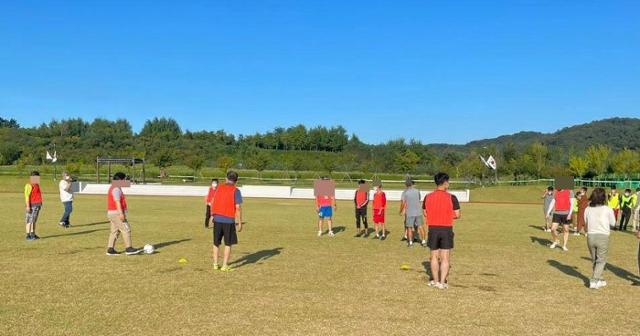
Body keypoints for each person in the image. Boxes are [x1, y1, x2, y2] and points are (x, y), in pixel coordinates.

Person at [423, 172, 461, 289]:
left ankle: (435, 281)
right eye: (448, 182)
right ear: (444, 183)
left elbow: (425, 212)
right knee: (445, 257)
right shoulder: (452, 197)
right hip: (446, 229)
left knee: (434, 256)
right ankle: (442, 282)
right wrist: (447, 215)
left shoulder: (428, 197)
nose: (448, 184)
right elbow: (457, 214)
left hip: (433, 228)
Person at [211, 171, 243, 271]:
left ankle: (215, 264)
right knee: (228, 244)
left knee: (216, 243)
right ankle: (224, 266)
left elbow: (214, 201)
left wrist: (212, 216)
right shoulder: (236, 191)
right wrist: (240, 222)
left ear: (226, 178)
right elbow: (237, 207)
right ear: (236, 181)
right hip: (228, 220)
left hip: (217, 219)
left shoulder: (219, 187)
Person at [584, 188, 615, 289]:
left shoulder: (588, 209)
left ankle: (600, 279)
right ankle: (594, 280)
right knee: (601, 260)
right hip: (603, 236)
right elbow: (613, 223)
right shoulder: (607, 209)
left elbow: (585, 221)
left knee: (595, 259)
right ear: (603, 197)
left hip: (590, 236)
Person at [106, 172, 143, 256]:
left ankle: (110, 249)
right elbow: (117, 202)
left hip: (111, 213)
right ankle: (129, 248)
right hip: (116, 213)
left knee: (114, 231)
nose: (126, 181)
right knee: (126, 229)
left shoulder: (114, 187)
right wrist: (121, 213)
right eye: (125, 179)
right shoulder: (116, 188)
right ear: (120, 180)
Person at [547, 186, 575, 251]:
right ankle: (556, 241)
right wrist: (548, 212)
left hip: (566, 214)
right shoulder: (556, 192)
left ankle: (564, 245)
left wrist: (570, 214)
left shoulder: (569, 191)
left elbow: (572, 203)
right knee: (553, 229)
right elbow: (552, 202)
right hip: (557, 213)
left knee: (566, 230)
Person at [400, 178, 425, 247]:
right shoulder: (417, 191)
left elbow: (403, 203)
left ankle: (410, 242)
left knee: (409, 227)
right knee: (420, 226)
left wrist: (401, 210)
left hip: (410, 212)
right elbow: (419, 199)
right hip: (418, 212)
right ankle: (423, 241)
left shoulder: (405, 192)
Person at [24, 171, 43, 240]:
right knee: (29, 220)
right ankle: (28, 235)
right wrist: (28, 206)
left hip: (37, 205)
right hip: (32, 205)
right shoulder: (29, 185)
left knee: (33, 220)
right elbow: (27, 196)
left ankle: (33, 234)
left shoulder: (36, 185)